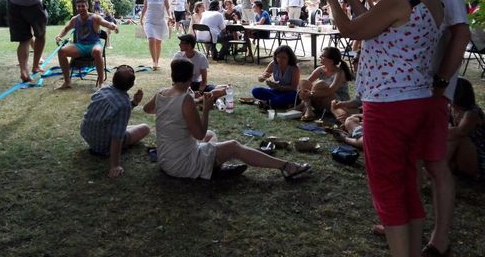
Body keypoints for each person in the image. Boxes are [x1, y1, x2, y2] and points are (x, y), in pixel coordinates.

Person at [319, 0, 449, 257]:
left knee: (387, 186)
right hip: (416, 101)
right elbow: (371, 26)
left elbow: (350, 30)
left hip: (389, 105)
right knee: (407, 182)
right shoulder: (429, 0)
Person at [348, 0, 470, 256]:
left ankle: (437, 237)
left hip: (421, 90)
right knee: (408, 170)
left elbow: (460, 33)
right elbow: (372, 26)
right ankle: (401, 230)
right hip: (413, 90)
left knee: (431, 164)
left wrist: (442, 83)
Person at [142, 59, 311, 180]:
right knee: (233, 146)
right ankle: (285, 167)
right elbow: (199, 135)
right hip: (181, 164)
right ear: (191, 78)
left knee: (211, 135)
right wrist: (206, 109)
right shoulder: (185, 99)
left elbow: (147, 109)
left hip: (166, 159)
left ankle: (216, 167)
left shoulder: (162, 93)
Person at [80, 65, 150, 178]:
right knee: (145, 128)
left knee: (124, 127)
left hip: (88, 135)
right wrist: (115, 165)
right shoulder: (123, 104)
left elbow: (109, 114)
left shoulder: (103, 90)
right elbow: (117, 138)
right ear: (131, 85)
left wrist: (134, 103)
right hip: (102, 145)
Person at [55, 0, 119, 89]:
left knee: (97, 51)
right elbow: (66, 29)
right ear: (76, 8)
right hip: (80, 46)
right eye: (78, 6)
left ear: (87, 6)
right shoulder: (75, 19)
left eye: (83, 6)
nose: (81, 8)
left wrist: (114, 26)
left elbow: (106, 23)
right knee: (61, 51)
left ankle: (101, 83)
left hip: (94, 44)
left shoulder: (95, 18)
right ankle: (67, 81)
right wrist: (59, 36)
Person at [297, 47, 353, 121]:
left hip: (336, 101)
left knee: (320, 84)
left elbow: (331, 90)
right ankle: (308, 109)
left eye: (323, 56)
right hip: (320, 98)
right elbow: (305, 83)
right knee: (303, 82)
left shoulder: (339, 73)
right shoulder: (320, 69)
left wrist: (311, 94)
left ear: (331, 60)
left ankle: (303, 106)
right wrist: (304, 91)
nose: (320, 57)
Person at [447, 77, 485, 181]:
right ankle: (441, 167)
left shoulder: (472, 113)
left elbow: (461, 131)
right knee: (451, 137)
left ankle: (438, 167)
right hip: (459, 154)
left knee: (459, 137)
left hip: (477, 157)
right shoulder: (450, 108)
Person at [140, 0, 171, 70]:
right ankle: (154, 61)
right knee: (151, 39)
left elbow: (168, 8)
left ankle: (157, 61)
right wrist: (141, 19)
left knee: (158, 42)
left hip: (160, 22)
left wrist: (170, 16)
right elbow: (144, 8)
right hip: (149, 21)